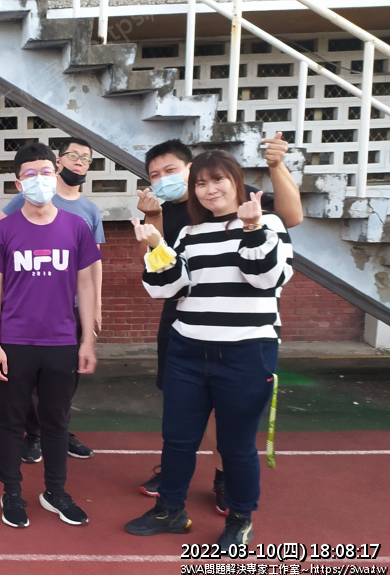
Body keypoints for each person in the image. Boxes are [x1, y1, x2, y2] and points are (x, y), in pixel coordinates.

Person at [124, 150, 293, 548]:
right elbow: (167, 289)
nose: (209, 189)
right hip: (188, 350)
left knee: (236, 446)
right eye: (200, 183)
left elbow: (266, 277)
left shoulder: (269, 222)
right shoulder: (189, 233)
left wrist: (251, 229)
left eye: (218, 180)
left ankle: (240, 519)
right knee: (177, 439)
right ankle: (169, 509)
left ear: (236, 182)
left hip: (246, 353)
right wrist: (156, 246)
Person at [0, 144, 100, 529]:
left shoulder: (77, 227)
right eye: (30, 174)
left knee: (56, 421)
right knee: (12, 420)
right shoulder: (3, 230)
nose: (39, 180)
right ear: (18, 183)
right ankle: (11, 491)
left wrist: (87, 340)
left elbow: (86, 285)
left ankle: (55, 492)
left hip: (62, 341)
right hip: (14, 342)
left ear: (57, 173)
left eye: (46, 171)